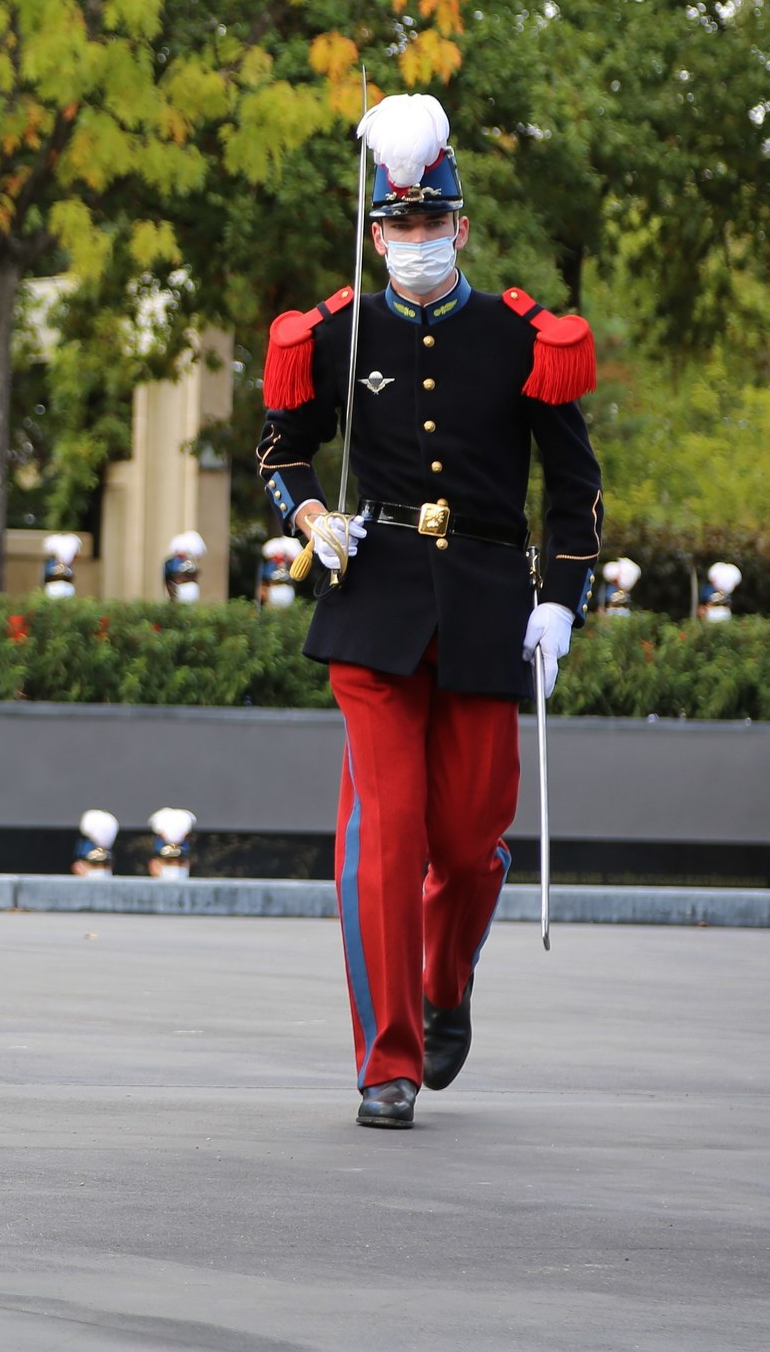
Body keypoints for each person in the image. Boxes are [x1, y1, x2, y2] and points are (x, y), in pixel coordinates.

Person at [256, 93, 603, 1131]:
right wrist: (310, 515)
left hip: (489, 605)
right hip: (374, 607)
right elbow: (280, 448)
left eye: (429, 220)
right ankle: (387, 1060)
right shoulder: (334, 334)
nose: (414, 237)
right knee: (384, 837)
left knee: (466, 843)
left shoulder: (520, 337)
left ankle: (447, 983)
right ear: (375, 234)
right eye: (397, 223)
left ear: (461, 225)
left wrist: (561, 601)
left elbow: (576, 487)